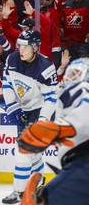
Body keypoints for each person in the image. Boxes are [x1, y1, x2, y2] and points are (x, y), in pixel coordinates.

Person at [18, 57, 89, 205]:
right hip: (77, 162)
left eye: (76, 73)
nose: (70, 77)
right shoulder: (66, 97)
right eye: (69, 73)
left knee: (48, 199)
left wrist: (60, 130)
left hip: (83, 164)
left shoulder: (81, 89)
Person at [1, 30, 58, 204]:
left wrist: (42, 120)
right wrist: (12, 105)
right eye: (19, 45)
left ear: (35, 47)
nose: (21, 49)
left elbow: (51, 98)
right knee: (29, 154)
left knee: (23, 152)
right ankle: (39, 179)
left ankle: (19, 191)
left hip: (41, 111)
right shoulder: (12, 59)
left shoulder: (46, 67)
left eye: (25, 46)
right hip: (23, 109)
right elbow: (7, 84)